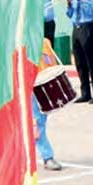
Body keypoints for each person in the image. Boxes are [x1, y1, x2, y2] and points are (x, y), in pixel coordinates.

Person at [34, 39, 63, 170]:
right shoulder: (15, 41)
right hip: (26, 88)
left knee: (39, 122)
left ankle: (46, 156)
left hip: (41, 87)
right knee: (36, 123)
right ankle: (47, 156)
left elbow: (52, 63)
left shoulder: (44, 42)